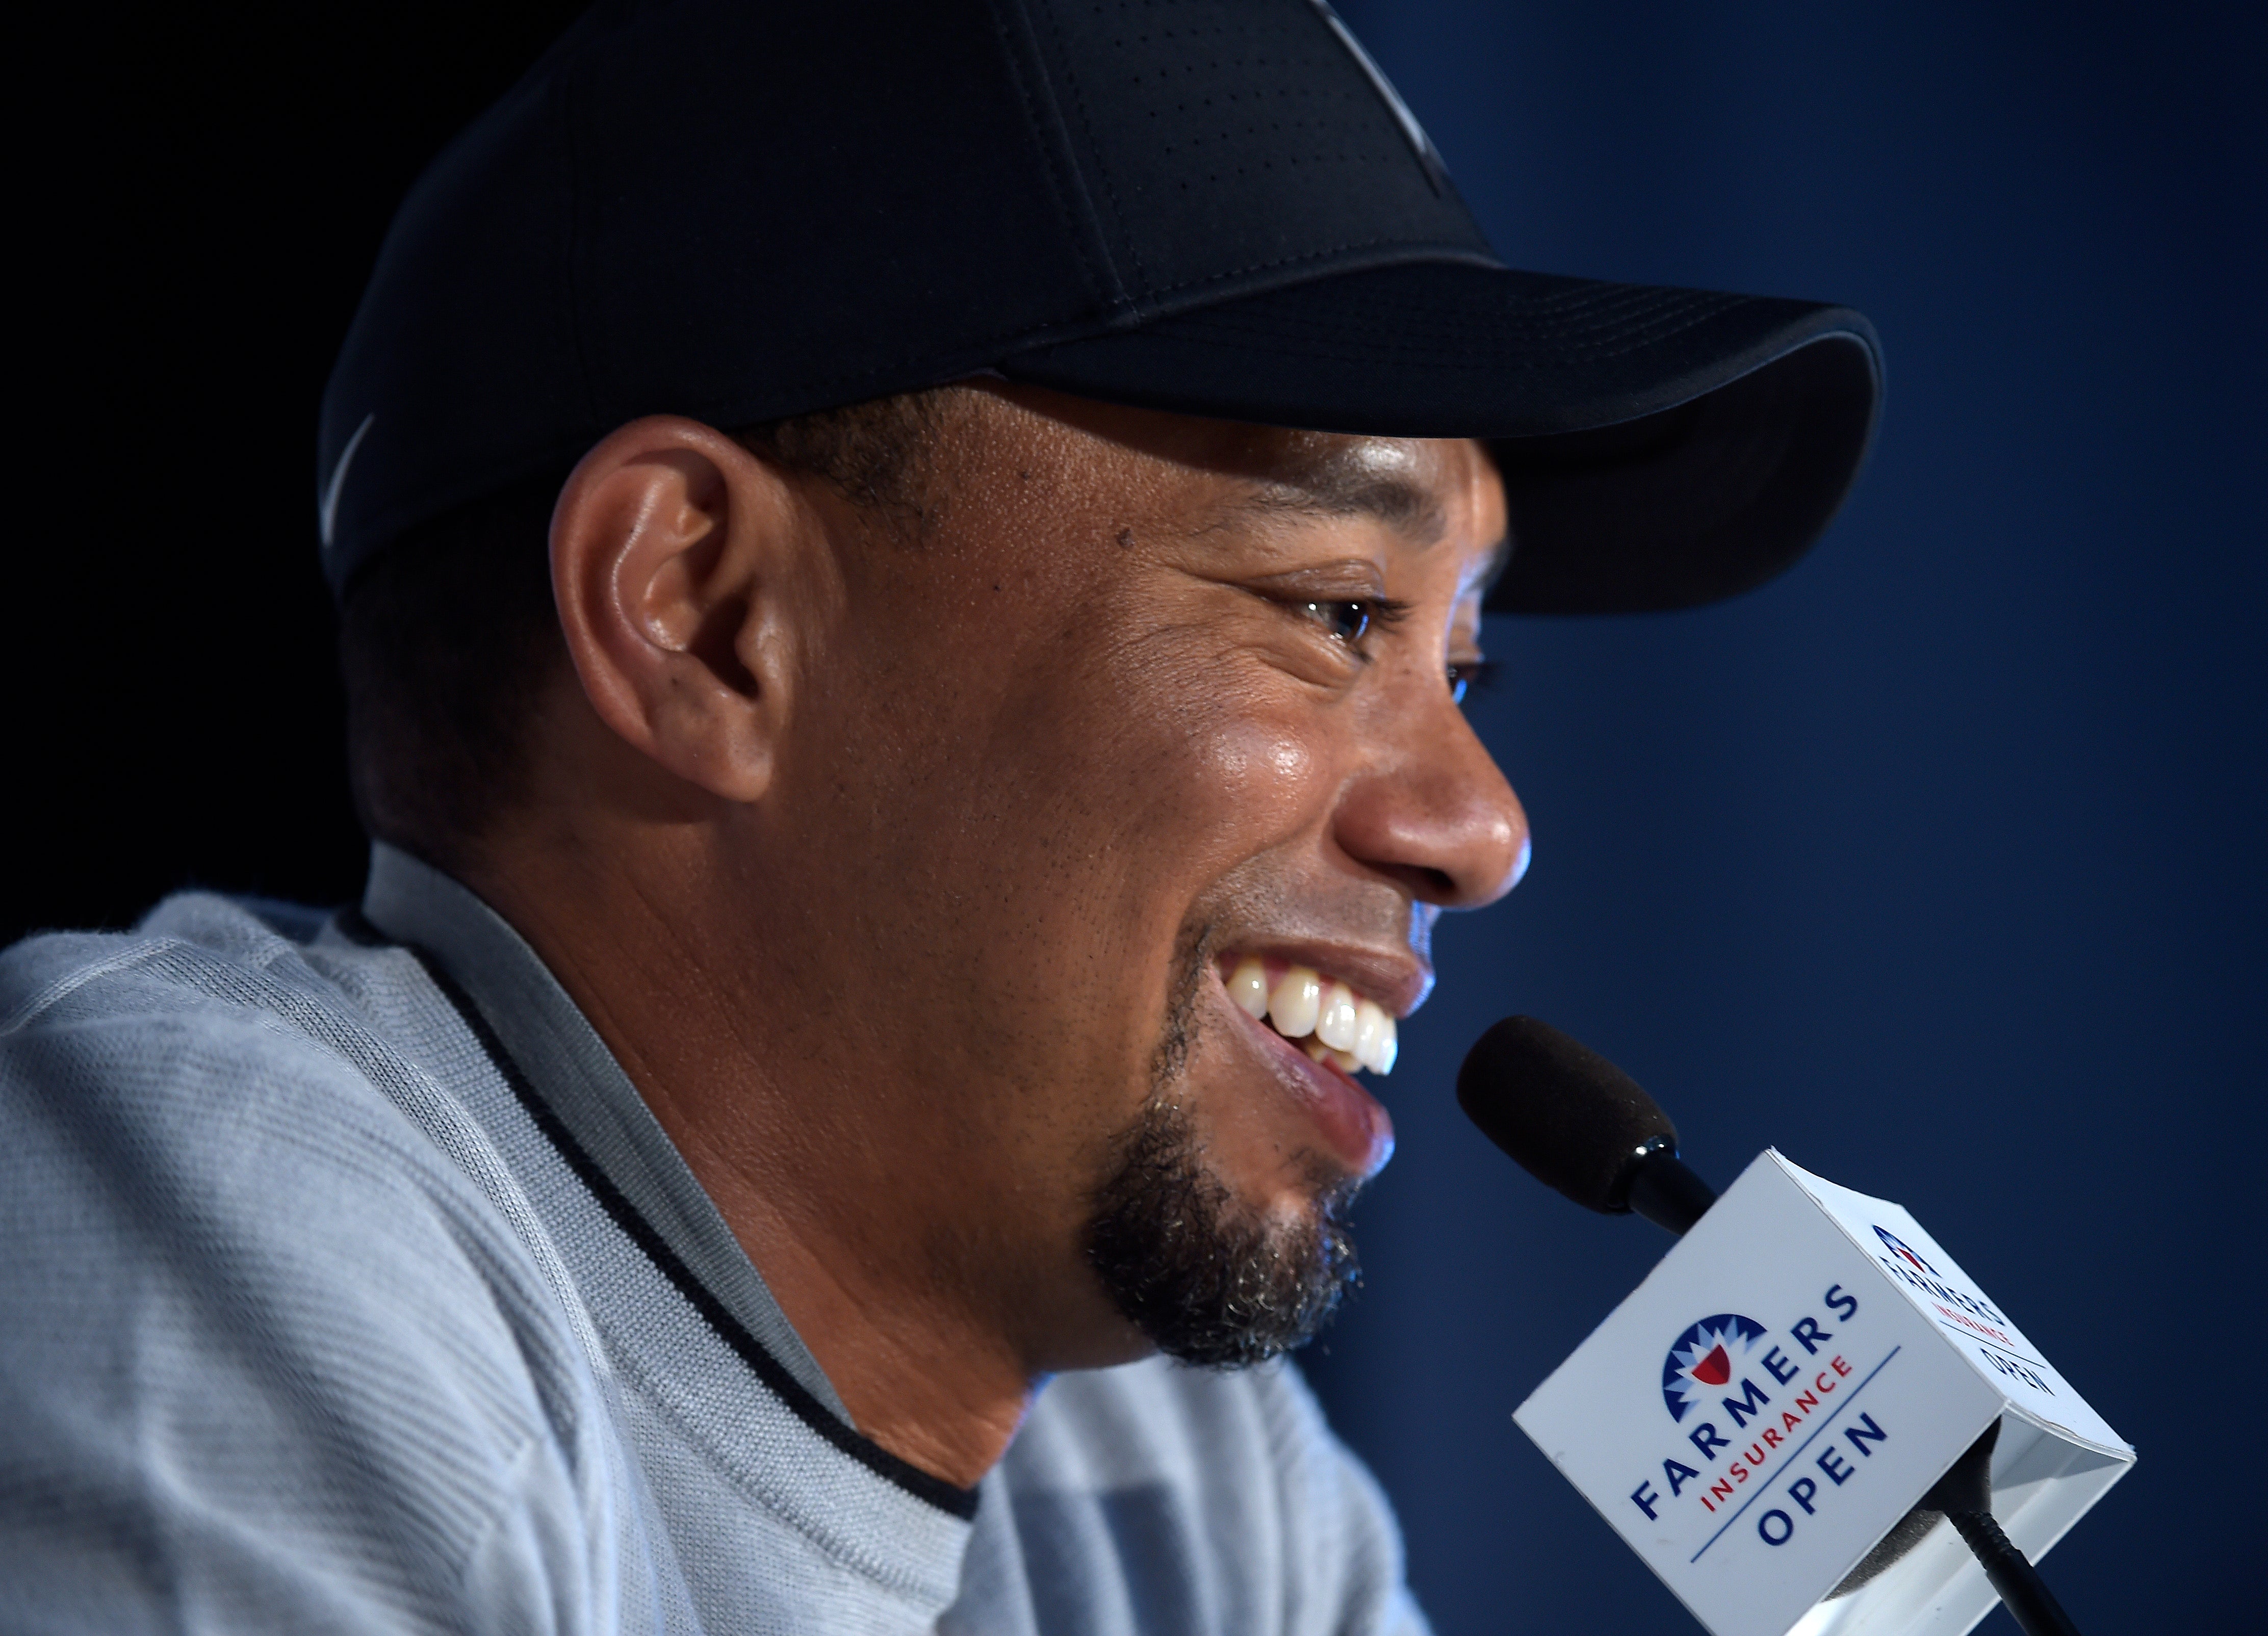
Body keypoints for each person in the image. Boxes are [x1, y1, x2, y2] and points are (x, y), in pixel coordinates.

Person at [0, 2, 1879, 1630]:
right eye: (1336, 613)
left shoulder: (1191, 1496)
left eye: (1466, 668)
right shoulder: (188, 1217)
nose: (1483, 827)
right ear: (709, 620)